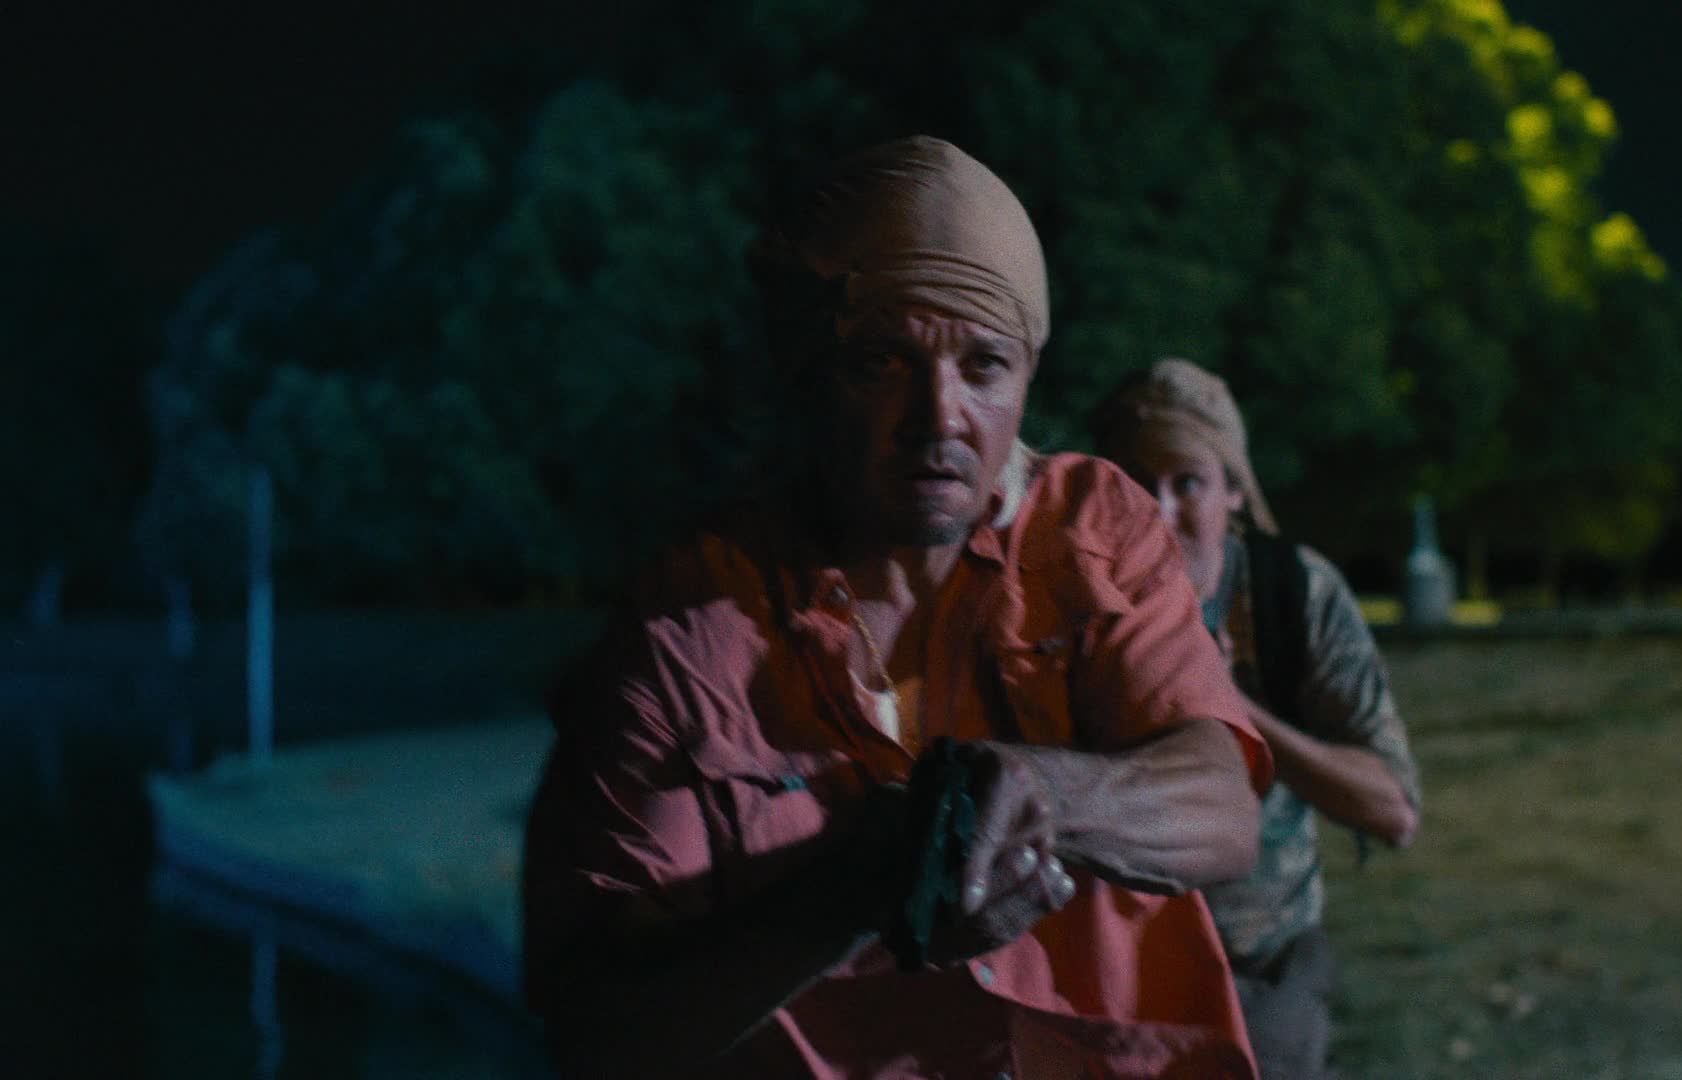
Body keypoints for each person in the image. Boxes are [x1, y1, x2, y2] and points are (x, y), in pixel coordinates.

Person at [521, 138, 1276, 1079]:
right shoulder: (684, 638)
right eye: (883, 362)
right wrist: (849, 891)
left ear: (1026, 380)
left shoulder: (1093, 532)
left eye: (985, 365)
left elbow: (1222, 811)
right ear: (805, 374)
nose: (940, 417)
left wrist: (1042, 793)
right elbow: (596, 1031)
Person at [1093, 359, 1422, 1080]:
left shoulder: (1293, 596)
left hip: (1260, 963)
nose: (1159, 511)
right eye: (1136, 485)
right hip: (1105, 970)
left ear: (1234, 491)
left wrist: (1227, 701)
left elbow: (1393, 812)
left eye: (1188, 483)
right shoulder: (1066, 594)